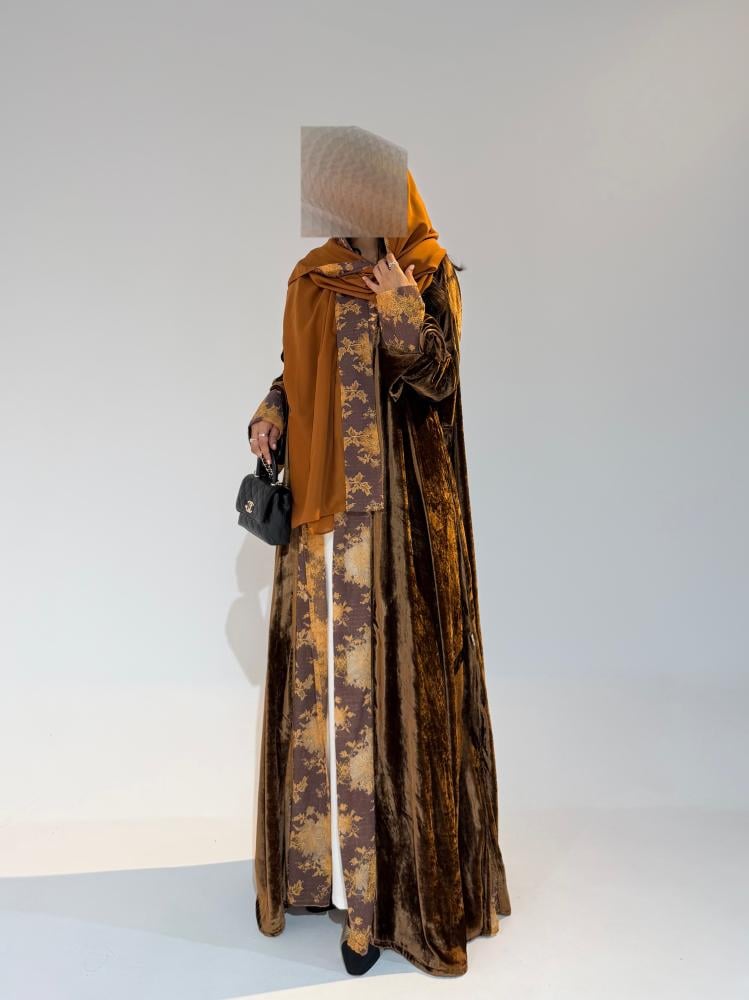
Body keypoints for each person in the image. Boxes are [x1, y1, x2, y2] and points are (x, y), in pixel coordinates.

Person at [248, 169, 511, 977]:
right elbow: (296, 370)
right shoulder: (314, 277)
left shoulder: (427, 272)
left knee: (385, 703)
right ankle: (322, 876)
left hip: (400, 527)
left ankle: (377, 907)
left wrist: (400, 305)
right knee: (328, 698)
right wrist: (271, 412)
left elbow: (439, 379)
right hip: (320, 524)